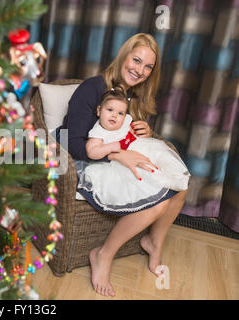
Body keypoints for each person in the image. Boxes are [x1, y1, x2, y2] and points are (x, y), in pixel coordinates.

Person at [59, 33, 189, 297]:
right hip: (85, 159)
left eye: (148, 66)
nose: (140, 70)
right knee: (159, 199)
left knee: (181, 182)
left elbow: (122, 133)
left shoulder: (134, 96)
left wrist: (144, 132)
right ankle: (103, 254)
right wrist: (117, 154)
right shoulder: (93, 88)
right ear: (123, 56)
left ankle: (154, 242)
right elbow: (71, 143)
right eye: (136, 60)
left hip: (117, 156)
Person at [79, 85, 190, 213]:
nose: (115, 116)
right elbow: (91, 151)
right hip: (117, 165)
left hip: (139, 152)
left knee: (160, 165)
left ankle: (167, 179)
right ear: (99, 111)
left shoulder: (125, 122)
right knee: (142, 177)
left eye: (120, 113)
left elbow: (133, 133)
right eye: (110, 110)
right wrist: (109, 147)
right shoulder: (99, 132)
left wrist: (141, 134)